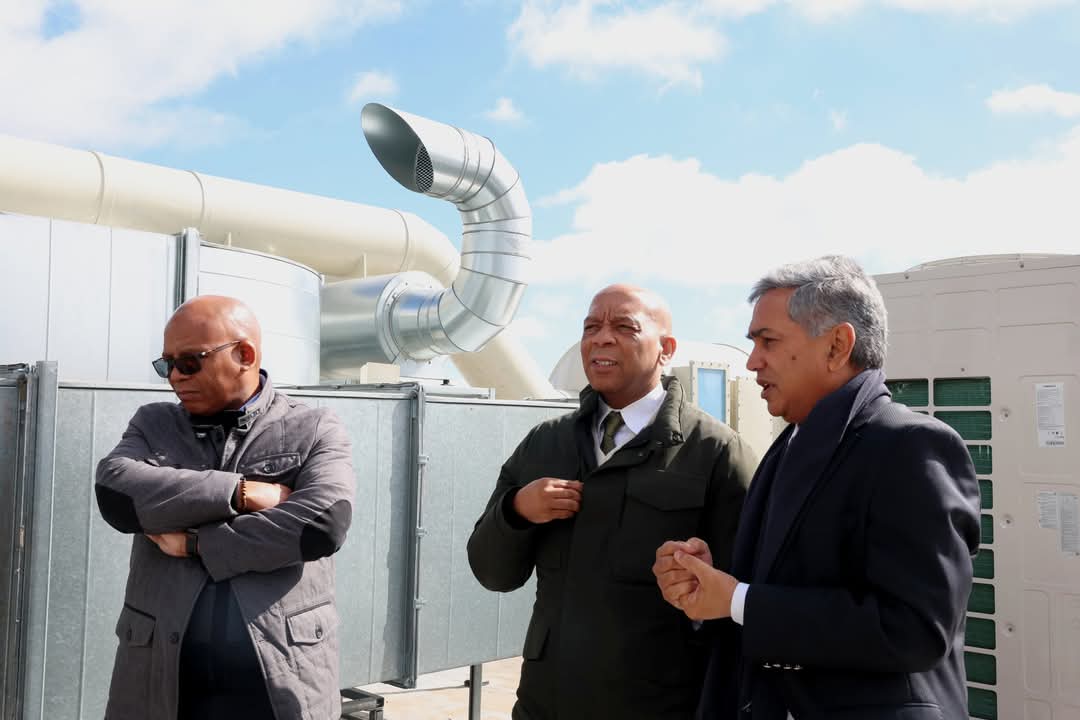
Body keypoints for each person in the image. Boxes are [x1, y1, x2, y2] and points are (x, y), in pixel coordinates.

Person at [653, 256, 981, 720]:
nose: (753, 361)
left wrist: (739, 600)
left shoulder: (910, 446)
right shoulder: (790, 443)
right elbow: (785, 586)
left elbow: (916, 629)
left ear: (837, 346)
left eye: (768, 341)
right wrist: (710, 589)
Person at [468, 284, 756, 719]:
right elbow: (491, 572)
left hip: (660, 706)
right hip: (546, 704)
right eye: (591, 327)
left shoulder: (715, 452)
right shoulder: (545, 444)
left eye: (624, 327)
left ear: (666, 349)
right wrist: (517, 511)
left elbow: (746, 595)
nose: (601, 338)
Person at [95, 295, 355, 720]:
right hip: (162, 678)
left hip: (278, 679)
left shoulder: (312, 427)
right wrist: (239, 493)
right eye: (166, 365)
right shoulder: (153, 423)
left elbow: (321, 524)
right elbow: (116, 496)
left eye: (189, 362)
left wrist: (196, 544)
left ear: (244, 355)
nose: (175, 377)